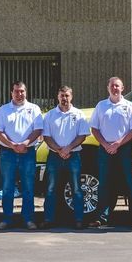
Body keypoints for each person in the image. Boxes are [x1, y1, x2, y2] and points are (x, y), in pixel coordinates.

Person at [89, 77, 132, 228]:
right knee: (104, 184)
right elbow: (94, 128)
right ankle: (101, 218)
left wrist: (118, 143)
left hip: (124, 149)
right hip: (105, 149)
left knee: (130, 184)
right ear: (108, 88)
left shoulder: (129, 106)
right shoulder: (101, 106)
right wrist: (106, 144)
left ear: (122, 88)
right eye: (112, 86)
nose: (115, 88)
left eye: (117, 86)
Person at [0, 81, 44, 230]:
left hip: (28, 153)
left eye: (22, 91)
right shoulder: (4, 110)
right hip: (8, 153)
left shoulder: (34, 109)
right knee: (7, 187)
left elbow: (38, 130)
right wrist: (13, 145)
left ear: (25, 92)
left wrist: (25, 143)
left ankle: (28, 220)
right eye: (16, 91)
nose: (19, 94)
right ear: (11, 93)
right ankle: (6, 219)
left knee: (28, 187)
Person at [42, 86, 90, 229]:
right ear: (58, 97)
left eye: (67, 95)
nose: (64, 98)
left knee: (76, 189)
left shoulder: (79, 114)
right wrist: (58, 149)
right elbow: (46, 136)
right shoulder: (50, 115)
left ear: (71, 96)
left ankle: (79, 220)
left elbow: (82, 135)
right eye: (62, 95)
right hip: (54, 156)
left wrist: (68, 148)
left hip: (73, 155)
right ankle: (48, 219)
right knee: (50, 189)